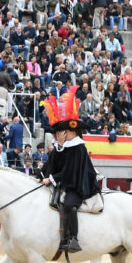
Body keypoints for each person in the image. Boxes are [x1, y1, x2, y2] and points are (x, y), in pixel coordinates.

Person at [39, 86, 100, 253]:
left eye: (63, 131)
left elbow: (69, 171)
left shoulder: (79, 147)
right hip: (67, 180)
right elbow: (55, 165)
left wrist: (51, 179)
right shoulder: (63, 146)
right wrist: (58, 146)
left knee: (69, 204)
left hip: (78, 183)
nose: (60, 134)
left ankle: (73, 238)